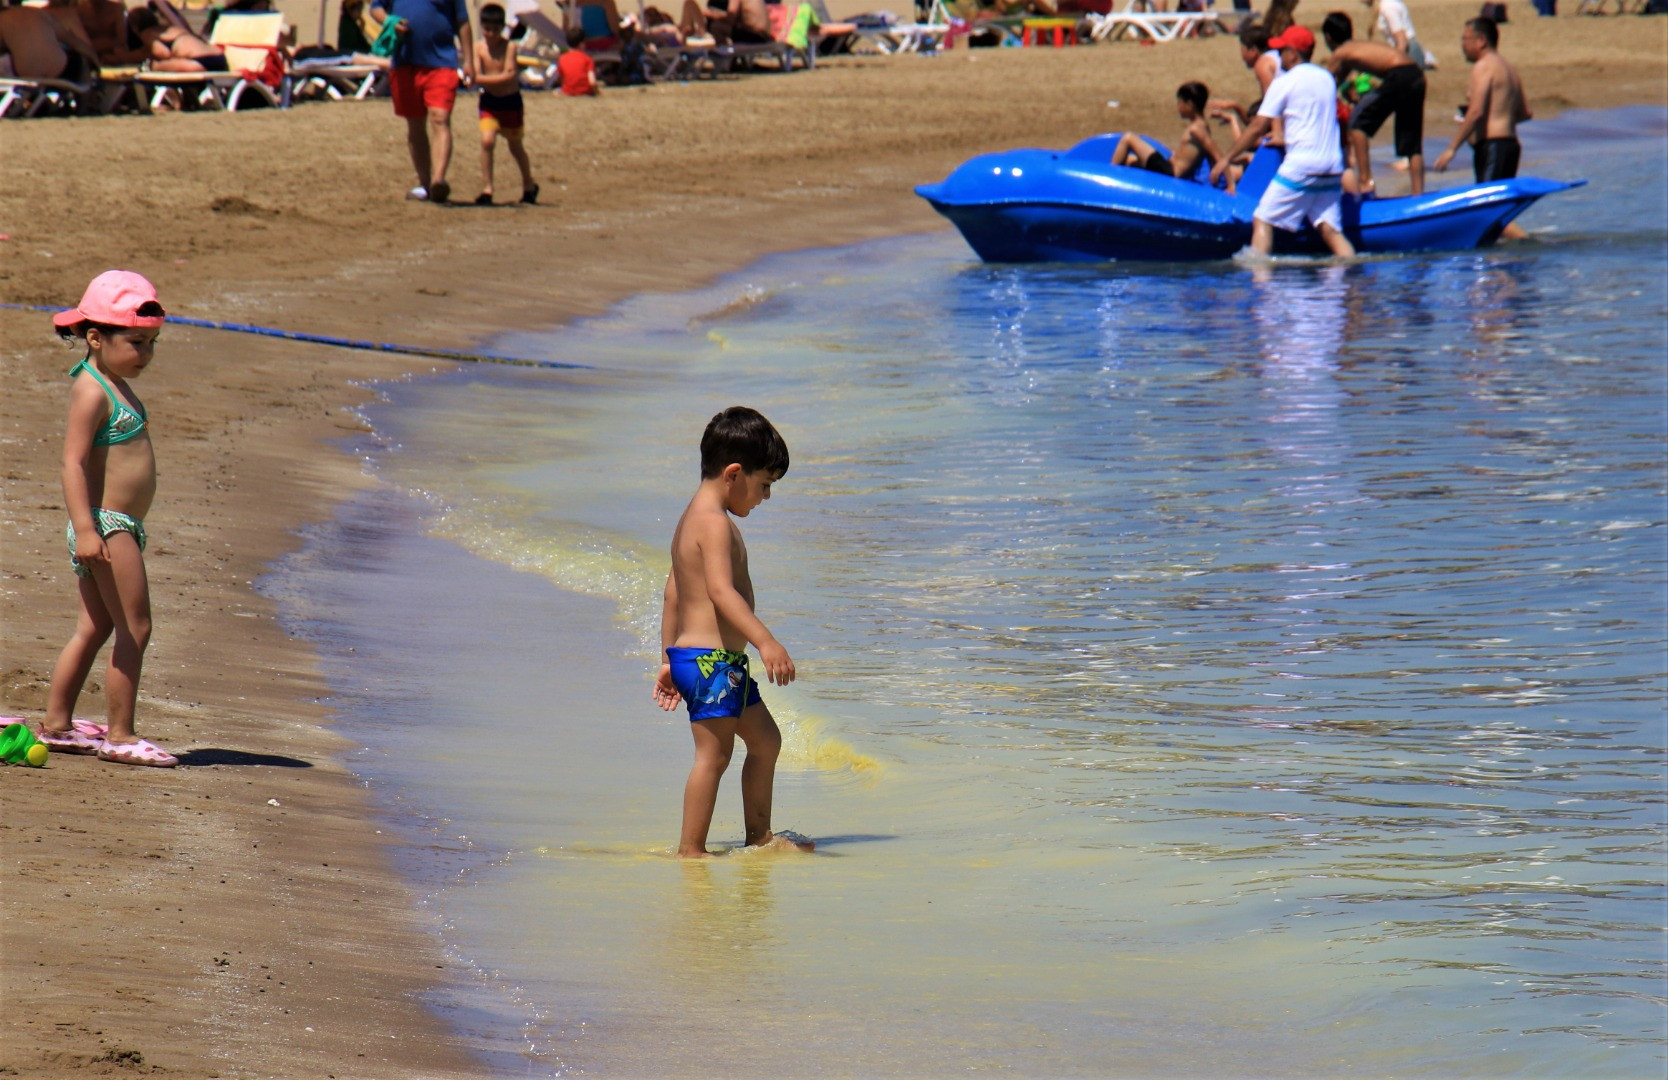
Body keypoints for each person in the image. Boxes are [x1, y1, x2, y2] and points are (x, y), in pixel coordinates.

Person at [652, 406, 814, 858]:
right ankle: (691, 851)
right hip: (712, 664)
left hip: (710, 662)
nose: (765, 497)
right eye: (764, 485)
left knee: (766, 741)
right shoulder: (715, 523)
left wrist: (668, 659)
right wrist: (766, 641)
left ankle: (759, 837)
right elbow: (722, 594)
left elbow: (672, 593)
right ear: (734, 473)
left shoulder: (692, 517)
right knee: (714, 756)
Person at [36, 271, 178, 768]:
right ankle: (120, 735)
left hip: (116, 525)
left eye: (153, 344)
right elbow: (72, 463)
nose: (146, 354)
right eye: (136, 342)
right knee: (134, 629)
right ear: (96, 337)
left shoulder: (109, 381)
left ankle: (58, 725)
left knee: (95, 627)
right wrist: (89, 529)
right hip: (108, 525)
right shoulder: (93, 391)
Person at [1212, 25, 1356, 257]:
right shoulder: (1327, 79)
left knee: (1262, 219)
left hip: (1303, 164)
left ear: (1294, 53)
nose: (1278, 57)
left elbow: (1258, 127)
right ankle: (1350, 280)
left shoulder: (1285, 82)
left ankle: (1262, 287)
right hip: (1332, 165)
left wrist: (1225, 159)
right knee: (1330, 230)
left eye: (1282, 51)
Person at [371, 0, 475, 204]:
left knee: (440, 117)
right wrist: (390, 21)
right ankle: (424, 183)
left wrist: (470, 60)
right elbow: (375, 8)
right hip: (405, 62)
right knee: (415, 123)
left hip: (441, 62)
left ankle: (438, 180)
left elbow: (462, 21)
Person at [1323, 10, 1425, 195]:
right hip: (1416, 75)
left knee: (1356, 123)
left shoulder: (1340, 53)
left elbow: (1326, 85)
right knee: (1413, 143)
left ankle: (1366, 183)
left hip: (1399, 75)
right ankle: (1418, 195)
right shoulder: (1355, 47)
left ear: (1328, 37)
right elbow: (1338, 84)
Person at [1433, 17, 1530, 183]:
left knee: (1488, 200)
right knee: (1498, 202)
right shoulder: (1509, 68)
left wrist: (1451, 149)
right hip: (1511, 146)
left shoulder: (1483, 66)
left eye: (1465, 39)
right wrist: (1499, 119)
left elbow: (1476, 111)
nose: (1462, 45)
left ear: (1481, 41)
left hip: (1493, 148)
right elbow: (1525, 113)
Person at [1111, 81, 1233, 190]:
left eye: (1180, 102)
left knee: (1128, 138)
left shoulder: (1197, 129)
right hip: (1169, 169)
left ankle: (1108, 181)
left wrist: (1231, 185)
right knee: (1129, 161)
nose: (1178, 107)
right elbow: (1210, 157)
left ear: (1189, 104)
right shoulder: (1202, 126)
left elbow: (1218, 155)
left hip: (1170, 173)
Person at [472, 3, 538, 205]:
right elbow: (477, 72)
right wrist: (482, 79)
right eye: (486, 29)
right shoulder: (479, 48)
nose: (490, 34)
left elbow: (509, 75)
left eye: (495, 30)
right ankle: (487, 188)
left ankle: (528, 184)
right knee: (487, 141)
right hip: (489, 102)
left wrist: (481, 80)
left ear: (502, 28)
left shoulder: (509, 46)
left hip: (510, 102)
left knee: (515, 146)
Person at [0, 2, 98, 81]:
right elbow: (75, 42)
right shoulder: (38, 13)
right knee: (81, 61)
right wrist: (96, 64)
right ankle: (85, 103)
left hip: (29, 78)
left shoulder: (3, 20)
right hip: (61, 71)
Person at [128, 7, 229, 71]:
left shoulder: (147, 34)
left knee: (153, 66)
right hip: (219, 58)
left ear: (134, 27)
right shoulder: (168, 29)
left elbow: (163, 53)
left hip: (197, 64)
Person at [77, 0, 148, 67]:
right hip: (89, 58)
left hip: (115, 56)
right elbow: (80, 43)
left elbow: (121, 39)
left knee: (119, 50)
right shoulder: (77, 11)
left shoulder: (117, 8)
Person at [1363, 0, 1430, 68]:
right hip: (1405, 50)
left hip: (1407, 53)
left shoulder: (1388, 7)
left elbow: (1402, 41)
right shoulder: (1387, 5)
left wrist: (1396, 63)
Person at [555, 23, 596, 95]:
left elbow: (561, 79)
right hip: (585, 91)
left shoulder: (562, 58)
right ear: (581, 44)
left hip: (567, 91)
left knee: (556, 91)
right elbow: (592, 82)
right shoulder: (587, 59)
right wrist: (597, 92)